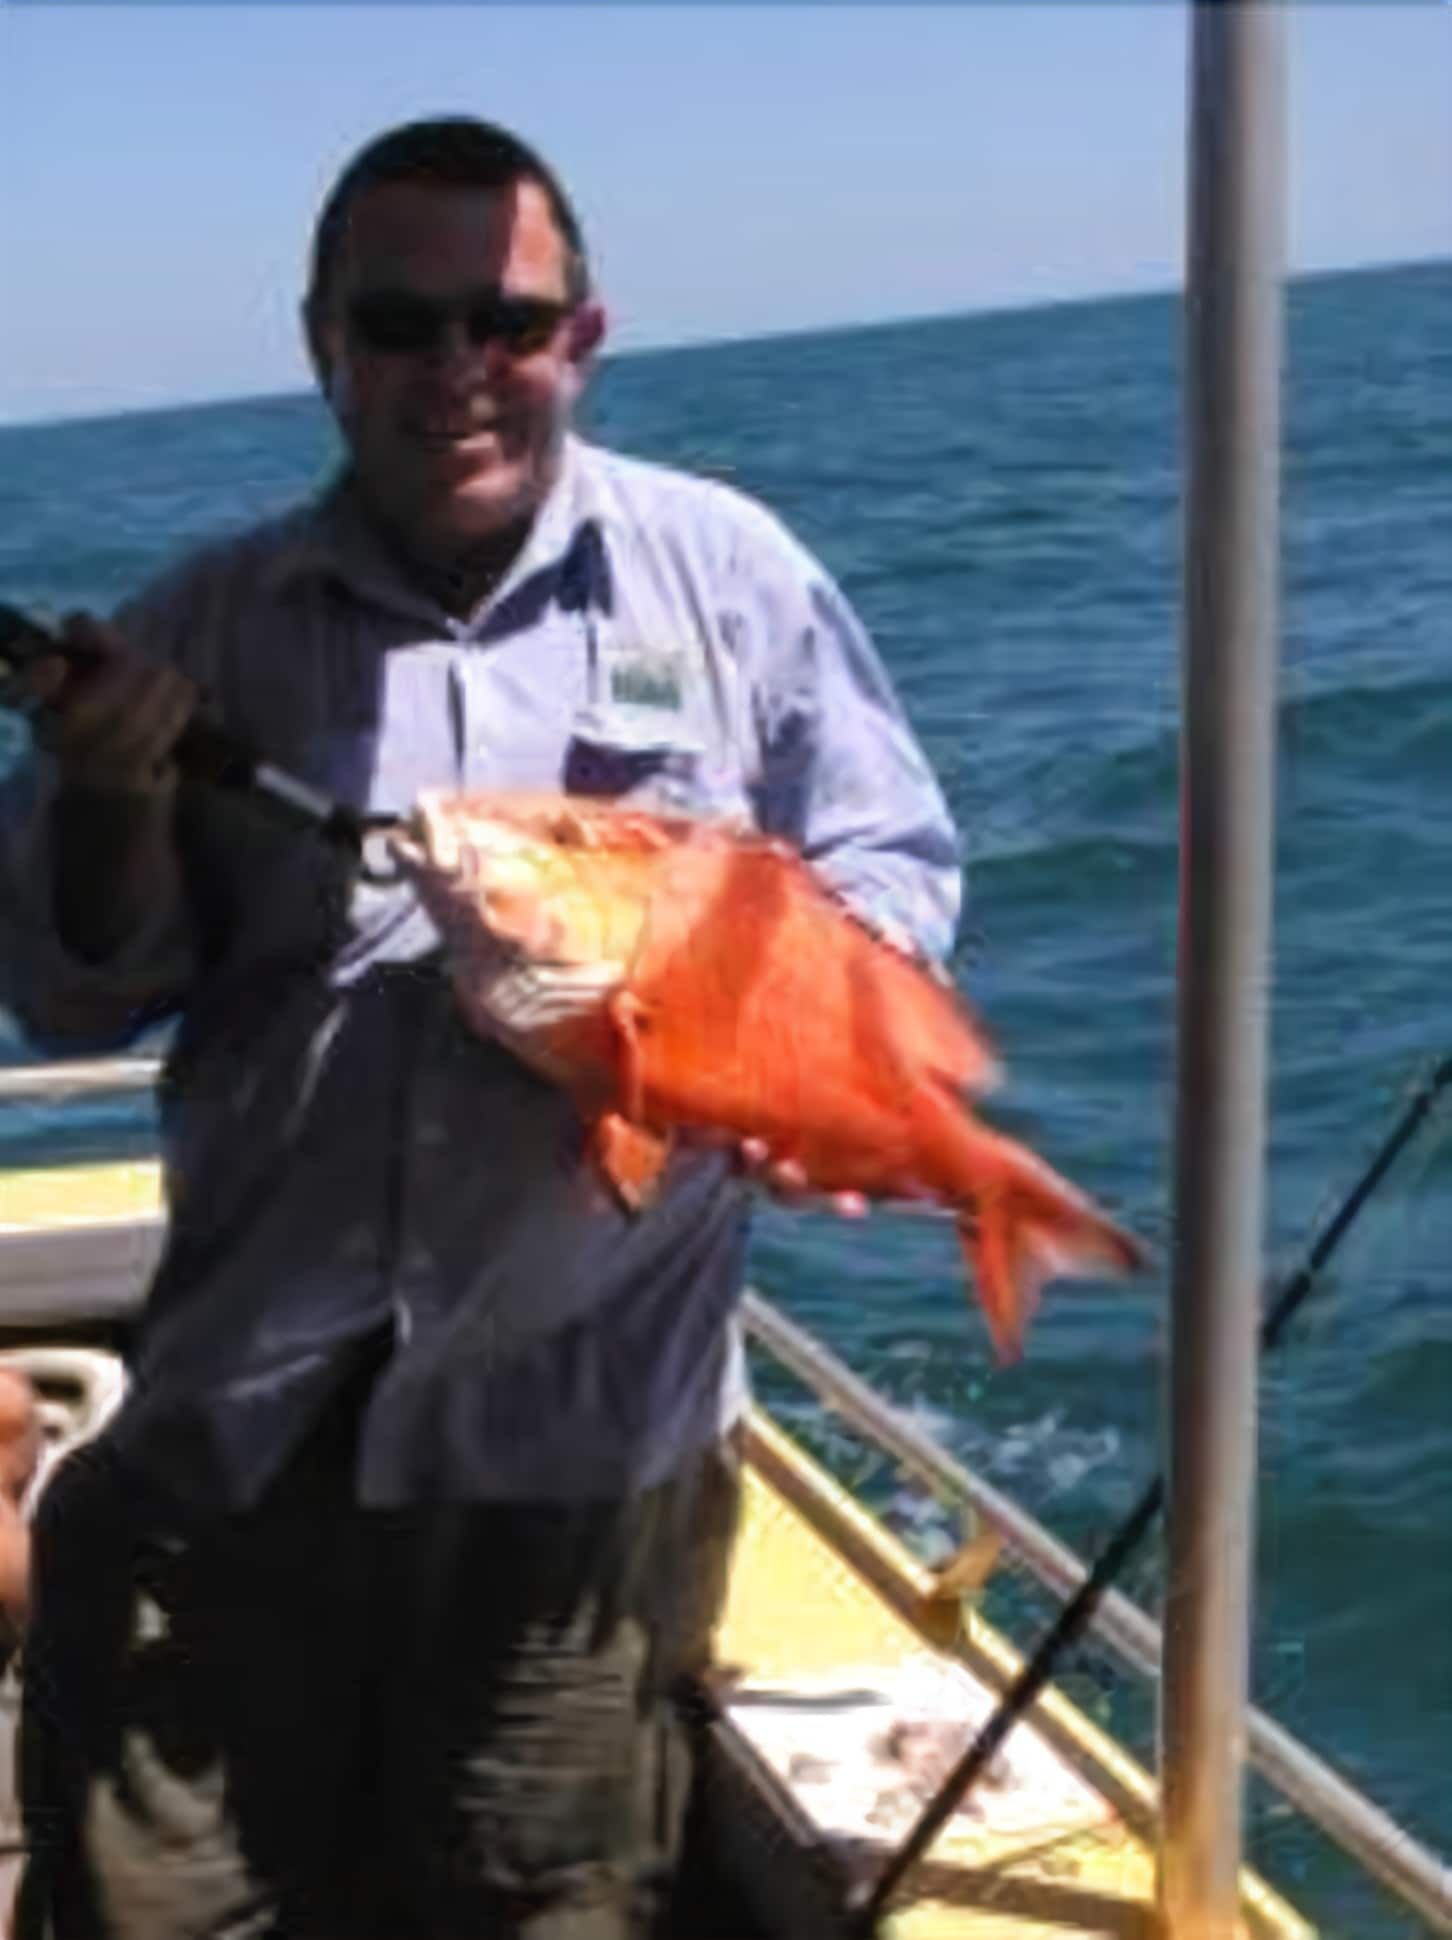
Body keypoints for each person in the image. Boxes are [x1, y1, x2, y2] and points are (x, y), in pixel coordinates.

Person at [0, 117, 961, 1939]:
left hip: (579, 1458)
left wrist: (790, 1042)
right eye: (402, 321)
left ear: (581, 336)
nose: (460, 367)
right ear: (324, 346)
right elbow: (68, 992)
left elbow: (891, 858)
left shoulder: (730, 576)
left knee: (543, 1906)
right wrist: (116, 799)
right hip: (238, 1445)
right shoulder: (205, 624)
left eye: (506, 322)